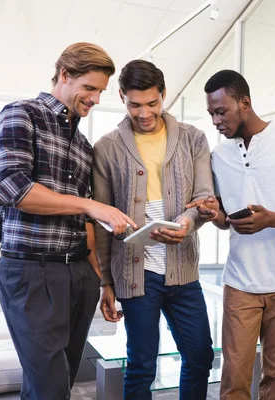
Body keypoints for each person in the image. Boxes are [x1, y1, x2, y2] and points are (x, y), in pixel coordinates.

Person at [0, 42, 136, 399]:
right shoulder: (21, 115)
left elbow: (83, 224)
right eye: (90, 88)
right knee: (50, 387)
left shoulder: (82, 145)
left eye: (100, 91)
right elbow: (10, 186)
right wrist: (90, 206)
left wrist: (101, 282)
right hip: (31, 273)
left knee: (56, 382)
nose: (96, 99)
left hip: (79, 274)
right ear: (64, 75)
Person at [187, 69, 275, 400]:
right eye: (211, 114)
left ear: (244, 103)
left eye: (222, 111)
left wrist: (271, 219)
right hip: (240, 283)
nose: (216, 121)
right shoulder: (218, 156)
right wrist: (214, 213)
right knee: (233, 379)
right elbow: (224, 221)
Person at [92, 59, 215, 399]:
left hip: (183, 270)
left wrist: (188, 223)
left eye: (152, 103)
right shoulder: (106, 148)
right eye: (134, 105)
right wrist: (105, 281)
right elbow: (102, 222)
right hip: (136, 272)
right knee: (142, 365)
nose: (144, 113)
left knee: (200, 355)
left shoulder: (193, 138)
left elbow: (204, 198)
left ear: (163, 95)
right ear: (121, 97)